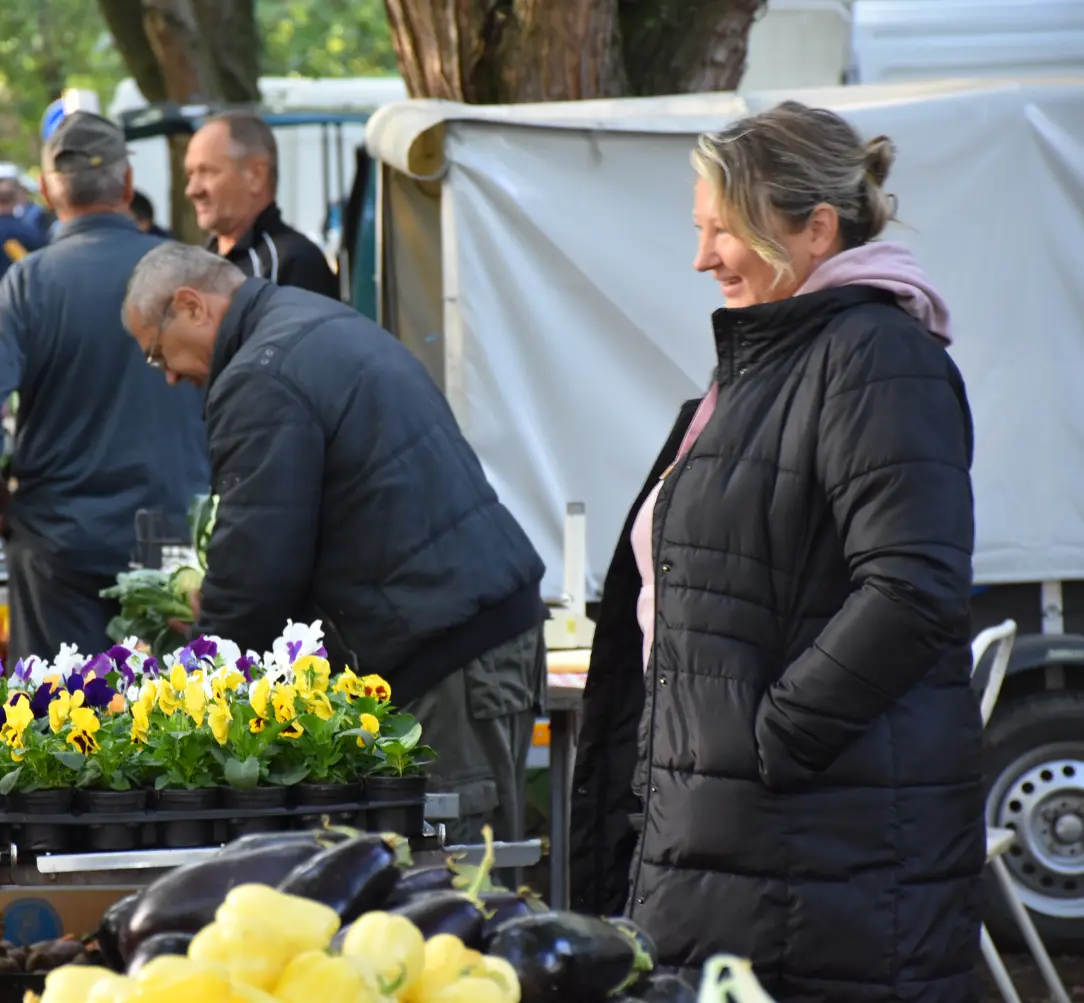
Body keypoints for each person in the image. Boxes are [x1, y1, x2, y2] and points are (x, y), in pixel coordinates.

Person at [573, 102, 978, 1002]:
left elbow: (913, 586)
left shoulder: (876, 356)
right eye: (700, 228)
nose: (703, 257)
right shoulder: (774, 356)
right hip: (747, 842)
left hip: (812, 849)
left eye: (724, 229)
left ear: (816, 229)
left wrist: (773, 741)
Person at [122, 242, 546, 844]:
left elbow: (259, 567)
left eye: (156, 353)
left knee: (450, 870)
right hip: (471, 628)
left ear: (191, 306)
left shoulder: (259, 375)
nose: (167, 374)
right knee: (465, 862)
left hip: (446, 655)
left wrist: (199, 681)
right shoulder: (311, 321)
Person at [0, 113, 209, 660]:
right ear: (127, 184)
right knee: (176, 707)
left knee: (63, 709)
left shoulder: (29, 282)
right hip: (172, 537)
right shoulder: (192, 278)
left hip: (57, 542)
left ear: (45, 190)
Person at [185, 113, 339, 298]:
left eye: (208, 171)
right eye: (190, 174)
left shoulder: (293, 262)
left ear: (256, 176)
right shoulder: (201, 260)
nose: (192, 190)